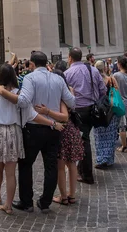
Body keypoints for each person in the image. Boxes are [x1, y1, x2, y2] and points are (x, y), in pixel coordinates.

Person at [0, 50, 75, 213]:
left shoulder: (30, 78)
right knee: (51, 165)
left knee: (25, 165)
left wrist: (3, 91)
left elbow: (23, 102)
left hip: (33, 128)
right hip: (53, 128)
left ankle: (26, 201)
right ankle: (45, 202)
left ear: (31, 64)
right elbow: (72, 102)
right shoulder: (58, 79)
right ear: (46, 63)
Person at [64, 47, 106, 185]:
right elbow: (103, 90)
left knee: (84, 141)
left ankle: (86, 174)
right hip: (92, 110)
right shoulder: (93, 70)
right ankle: (81, 169)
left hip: (78, 112)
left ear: (70, 58)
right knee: (84, 138)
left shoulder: (68, 73)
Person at [49, 61, 84, 205]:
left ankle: (63, 196)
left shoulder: (58, 94)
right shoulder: (70, 90)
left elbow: (63, 115)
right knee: (72, 163)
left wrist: (47, 112)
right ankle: (72, 194)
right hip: (73, 129)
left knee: (60, 166)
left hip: (62, 129)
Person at [93, 60, 121, 169]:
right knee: (110, 135)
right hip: (111, 109)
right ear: (104, 68)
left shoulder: (95, 79)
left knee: (99, 136)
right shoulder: (111, 78)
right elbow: (117, 90)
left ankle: (101, 159)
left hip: (99, 110)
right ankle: (109, 159)